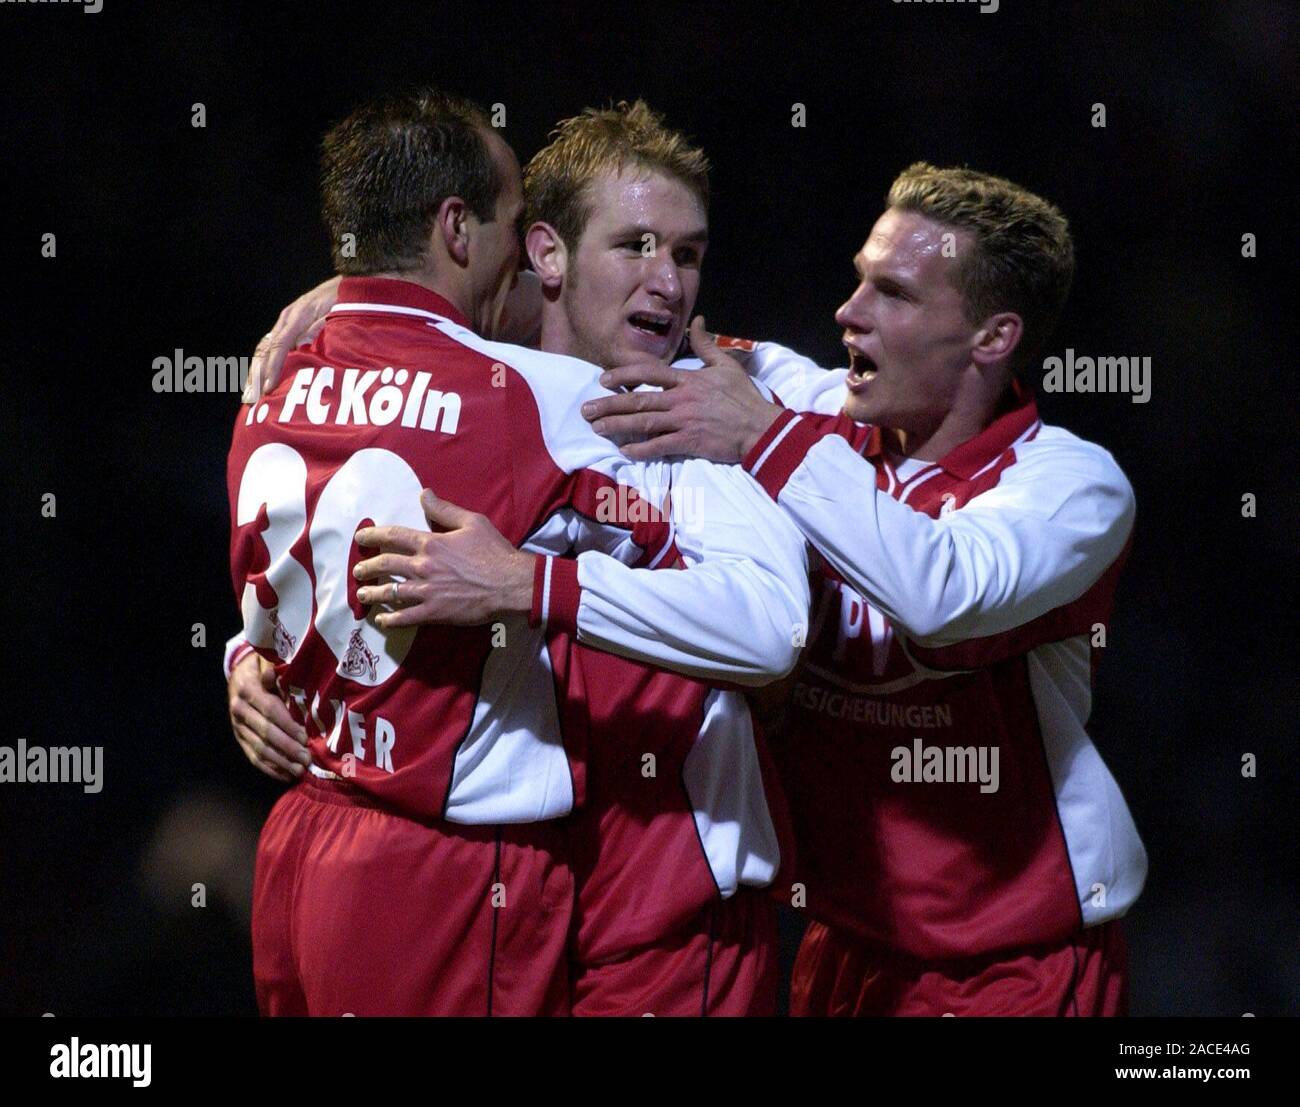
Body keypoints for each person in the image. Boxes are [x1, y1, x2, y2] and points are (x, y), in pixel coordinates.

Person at [226, 88, 809, 1016]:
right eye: (636, 246)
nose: (670, 283)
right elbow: (317, 532)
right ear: (539, 251)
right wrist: (255, 657)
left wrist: (526, 580)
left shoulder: (713, 402)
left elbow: (774, 621)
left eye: (689, 254)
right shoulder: (507, 394)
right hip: (502, 885)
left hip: (659, 903)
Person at [581, 163, 1148, 1016]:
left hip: (1009, 966)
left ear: (992, 339)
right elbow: (624, 334)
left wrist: (764, 438)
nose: (849, 312)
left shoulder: (1071, 487)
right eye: (858, 279)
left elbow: (941, 591)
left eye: (894, 293)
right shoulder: (814, 411)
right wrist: (358, 302)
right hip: (840, 946)